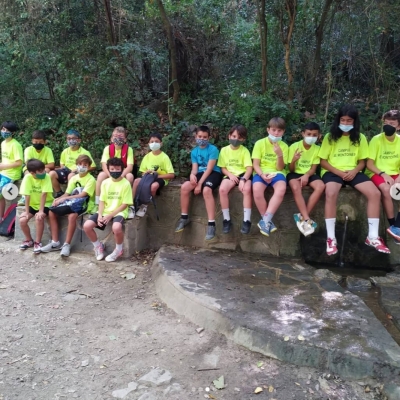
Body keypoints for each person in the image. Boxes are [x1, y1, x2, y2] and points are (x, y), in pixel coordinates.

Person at [319, 104, 390, 255]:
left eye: (348, 121)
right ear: (338, 120)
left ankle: (372, 236)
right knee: (331, 193)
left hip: (353, 171)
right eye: (342, 120)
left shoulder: (360, 137)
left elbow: (363, 162)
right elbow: (323, 161)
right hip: (333, 171)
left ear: (354, 121)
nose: (345, 124)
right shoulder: (330, 137)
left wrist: (353, 171)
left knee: (375, 194)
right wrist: (338, 172)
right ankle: (331, 238)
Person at [40, 155, 96, 257]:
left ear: (88, 167)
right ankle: (55, 242)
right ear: (76, 165)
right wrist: (59, 199)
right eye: (80, 164)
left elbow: (83, 195)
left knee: (72, 216)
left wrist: (65, 198)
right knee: (51, 211)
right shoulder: (74, 178)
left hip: (84, 204)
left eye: (85, 165)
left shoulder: (91, 179)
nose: (82, 167)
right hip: (72, 202)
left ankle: (67, 244)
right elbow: (67, 193)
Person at [175, 125, 222, 240]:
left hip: (213, 173)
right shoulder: (194, 152)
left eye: (205, 137)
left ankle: (211, 224)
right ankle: (184, 217)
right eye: (200, 136)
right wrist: (192, 175)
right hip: (200, 173)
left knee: (206, 190)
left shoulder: (213, 149)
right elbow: (195, 168)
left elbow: (210, 169)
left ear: (209, 138)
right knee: (185, 187)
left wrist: (200, 184)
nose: (202, 139)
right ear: (195, 137)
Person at [83, 157, 133, 262]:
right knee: (87, 226)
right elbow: (102, 201)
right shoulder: (105, 182)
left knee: (116, 227)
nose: (115, 171)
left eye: (117, 169)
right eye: (112, 169)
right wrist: (100, 215)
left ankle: (118, 249)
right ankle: (98, 246)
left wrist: (110, 215)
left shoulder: (126, 183)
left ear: (122, 169)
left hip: (119, 211)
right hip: (105, 210)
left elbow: (125, 204)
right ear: (108, 169)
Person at [366, 110, 400, 242]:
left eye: (392, 123)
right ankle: (392, 225)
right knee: (386, 190)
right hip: (377, 172)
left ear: (398, 126)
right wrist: (383, 174)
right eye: (386, 123)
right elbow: (369, 164)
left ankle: (397, 226)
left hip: (395, 173)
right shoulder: (376, 139)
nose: (388, 126)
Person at [252, 117, 288, 236]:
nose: (276, 133)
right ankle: (266, 221)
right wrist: (262, 175)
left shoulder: (284, 146)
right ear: (268, 130)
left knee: (281, 189)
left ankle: (265, 220)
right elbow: (255, 164)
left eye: (279, 131)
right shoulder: (259, 143)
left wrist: (279, 155)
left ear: (283, 132)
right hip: (261, 172)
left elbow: (280, 168)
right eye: (273, 130)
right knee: (256, 189)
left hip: (277, 173)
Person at [287, 122, 325, 236]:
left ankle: (302, 217)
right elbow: (291, 170)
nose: (311, 137)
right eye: (309, 134)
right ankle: (307, 219)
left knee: (321, 186)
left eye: (314, 135)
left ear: (318, 136)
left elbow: (313, 169)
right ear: (303, 133)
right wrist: (294, 160)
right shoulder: (294, 146)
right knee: (295, 186)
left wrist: (307, 175)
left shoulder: (318, 149)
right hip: (295, 173)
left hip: (309, 173)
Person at [217, 125, 253, 234]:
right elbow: (222, 168)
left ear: (244, 139)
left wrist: (243, 179)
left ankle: (247, 221)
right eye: (234, 136)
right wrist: (230, 174)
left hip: (243, 174)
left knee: (246, 190)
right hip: (230, 174)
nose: (236, 139)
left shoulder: (245, 151)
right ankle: (226, 220)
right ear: (229, 136)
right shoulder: (224, 150)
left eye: (240, 137)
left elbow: (249, 169)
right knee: (222, 190)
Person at [92, 126, 134, 214]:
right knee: (101, 175)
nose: (117, 139)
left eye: (120, 137)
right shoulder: (107, 149)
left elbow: (130, 167)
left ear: (125, 139)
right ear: (111, 138)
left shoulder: (129, 149)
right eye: (115, 136)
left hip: (122, 172)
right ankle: (97, 203)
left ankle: (129, 205)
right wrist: (111, 176)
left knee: (130, 176)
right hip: (111, 172)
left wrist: (121, 176)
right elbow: (104, 165)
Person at [132, 132, 174, 216]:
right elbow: (142, 172)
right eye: (152, 141)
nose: (154, 143)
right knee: (136, 181)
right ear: (149, 144)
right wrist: (146, 172)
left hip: (161, 178)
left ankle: (144, 206)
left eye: (156, 141)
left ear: (161, 143)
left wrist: (157, 175)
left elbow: (171, 175)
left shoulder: (164, 157)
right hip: (148, 177)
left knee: (153, 186)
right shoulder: (147, 157)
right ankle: (131, 205)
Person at [19, 159, 54, 253]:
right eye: (40, 171)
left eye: (43, 169)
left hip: (46, 203)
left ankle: (38, 242)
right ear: (32, 173)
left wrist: (41, 211)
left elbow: (44, 194)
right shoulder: (27, 178)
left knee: (39, 218)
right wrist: (26, 212)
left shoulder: (46, 176)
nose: (43, 172)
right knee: (22, 220)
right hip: (33, 205)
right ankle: (29, 240)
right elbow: (27, 195)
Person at [49, 129, 96, 198]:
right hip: (66, 171)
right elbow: (62, 164)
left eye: (73, 138)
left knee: (71, 175)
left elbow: (93, 166)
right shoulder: (65, 151)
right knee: (51, 174)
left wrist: (78, 170)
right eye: (69, 138)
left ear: (79, 140)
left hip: (78, 172)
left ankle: (69, 195)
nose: (71, 140)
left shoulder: (84, 152)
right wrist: (63, 170)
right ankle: (59, 193)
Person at [18, 130, 55, 206]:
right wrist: (39, 167)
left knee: (47, 170)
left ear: (45, 142)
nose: (38, 144)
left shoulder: (48, 150)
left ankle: (44, 193)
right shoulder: (28, 150)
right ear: (32, 141)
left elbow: (51, 165)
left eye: (40, 142)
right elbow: (28, 164)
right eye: (35, 142)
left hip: (43, 169)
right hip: (30, 169)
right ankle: (24, 197)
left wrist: (40, 168)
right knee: (28, 174)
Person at [0, 121, 23, 221]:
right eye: (3, 129)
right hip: (2, 172)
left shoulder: (16, 145)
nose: (4, 132)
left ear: (13, 133)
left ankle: (1, 218)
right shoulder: (3, 143)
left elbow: (19, 163)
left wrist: (3, 166)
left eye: (7, 130)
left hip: (11, 174)